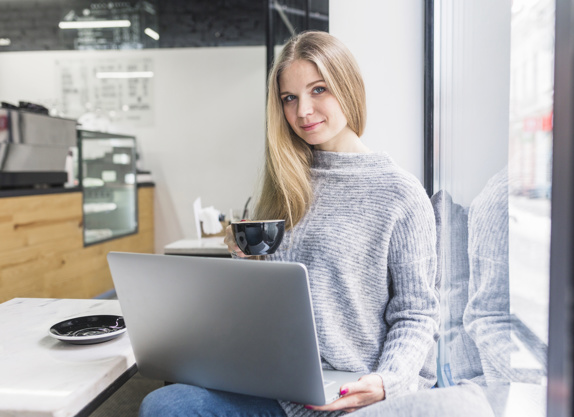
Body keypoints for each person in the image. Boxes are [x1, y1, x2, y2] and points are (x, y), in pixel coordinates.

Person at [139, 30, 439, 417]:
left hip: (351, 389)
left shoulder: (400, 193)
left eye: (319, 90)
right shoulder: (282, 184)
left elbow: (417, 313)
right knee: (165, 403)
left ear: (348, 86)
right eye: (289, 98)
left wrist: (386, 381)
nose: (303, 112)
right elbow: (269, 298)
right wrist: (244, 265)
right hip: (275, 381)